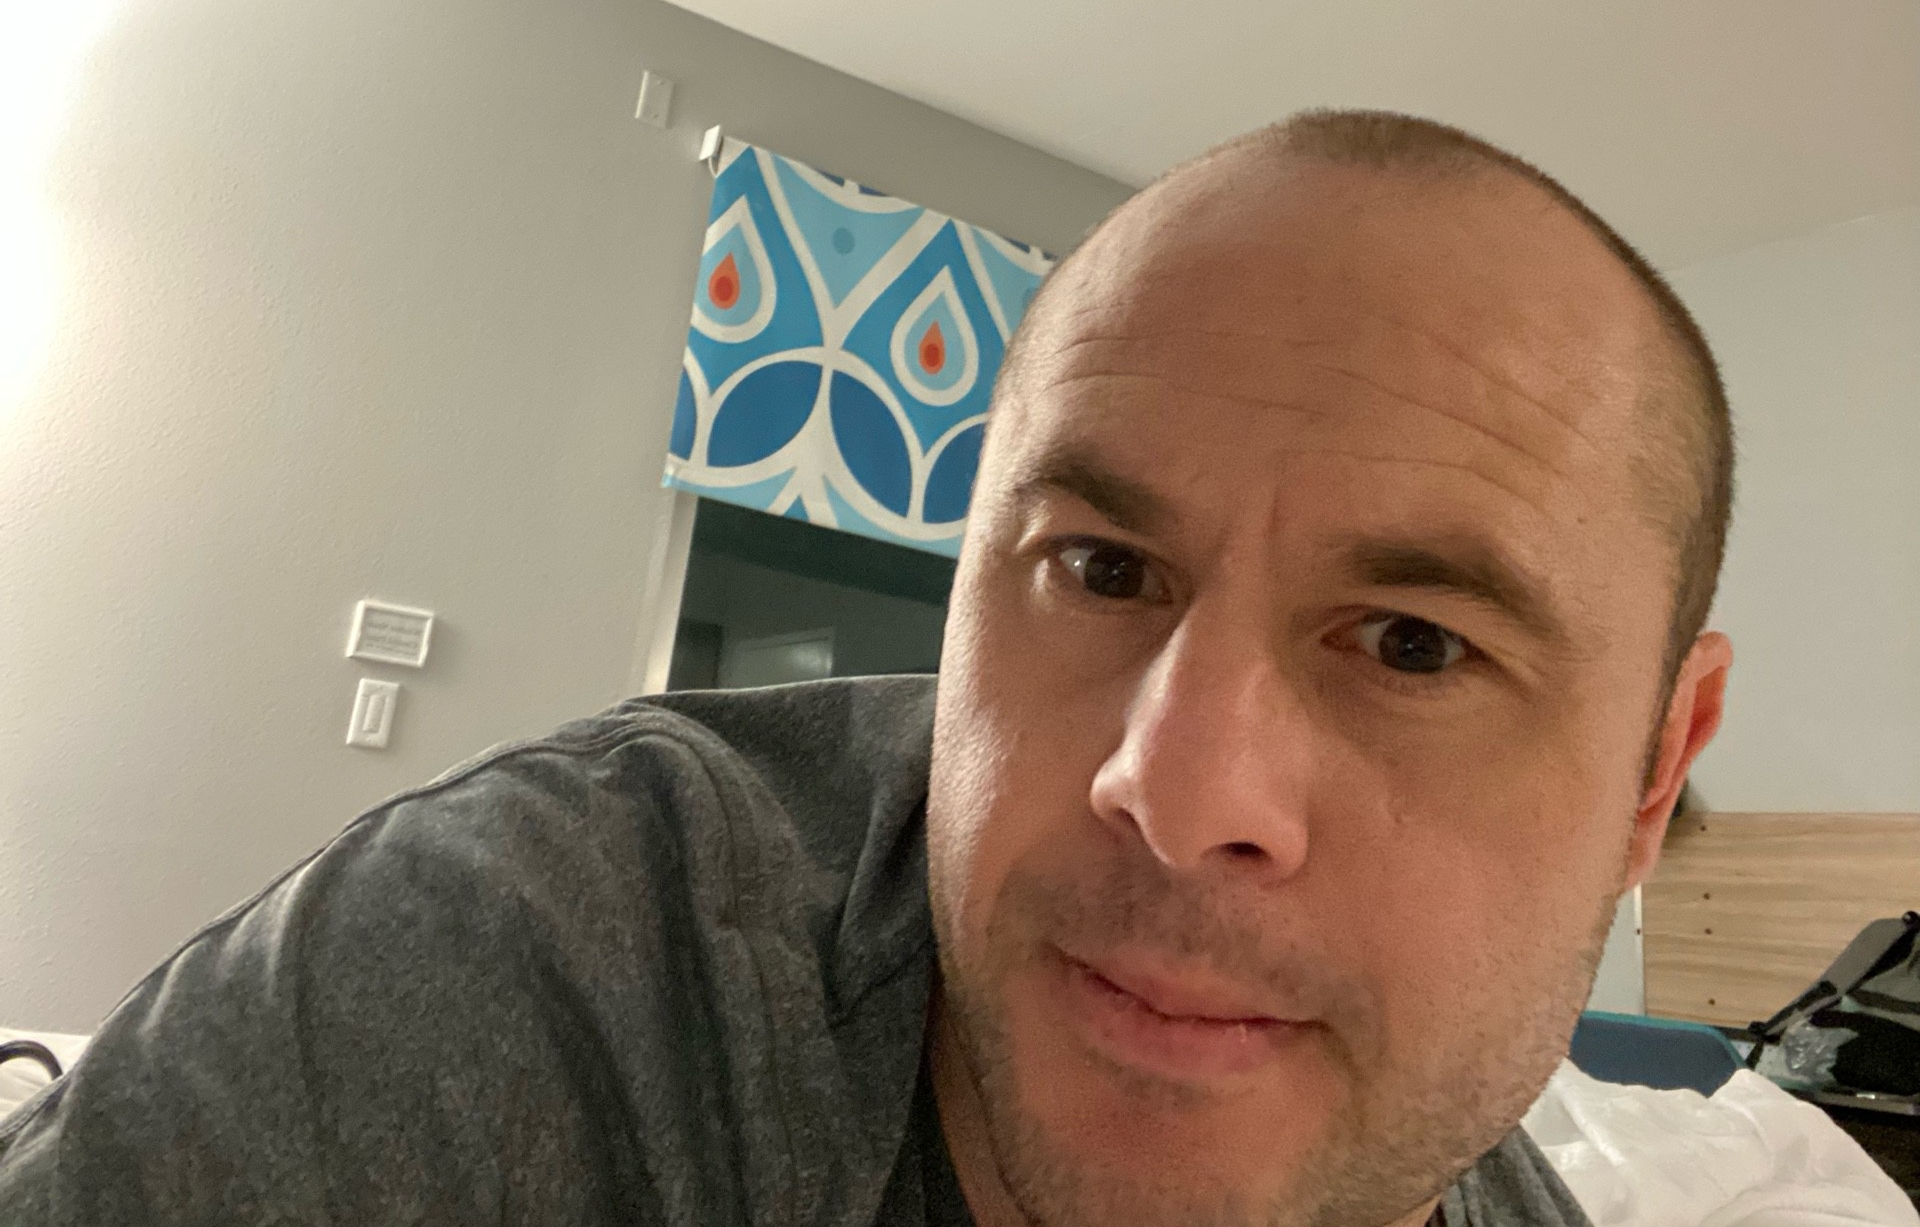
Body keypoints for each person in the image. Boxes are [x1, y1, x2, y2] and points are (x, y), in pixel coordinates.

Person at [0, 110, 1736, 1226]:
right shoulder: (534, 973)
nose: (1178, 785)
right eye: (1103, 569)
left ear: (1656, 773)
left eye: (1416, 645)